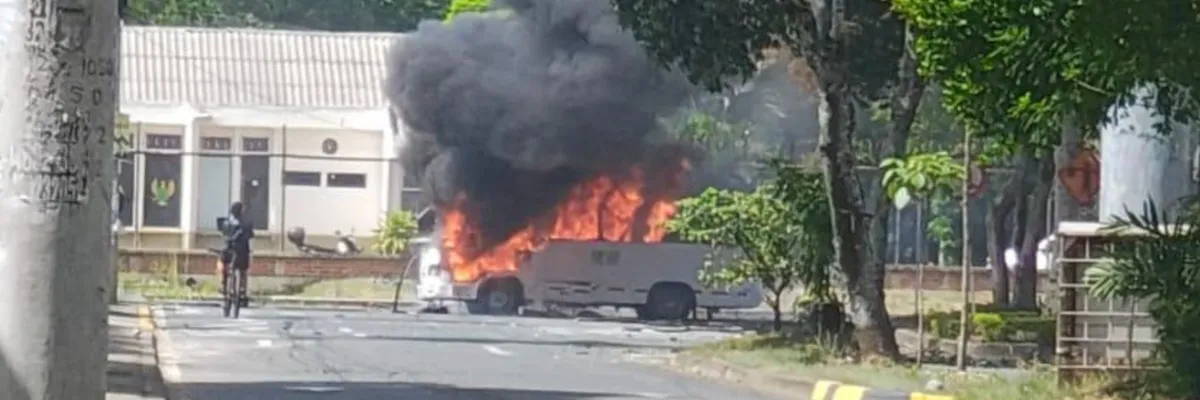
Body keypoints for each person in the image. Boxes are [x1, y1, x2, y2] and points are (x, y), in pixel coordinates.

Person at [220, 202, 255, 306]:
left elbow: (224, 235)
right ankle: (242, 291)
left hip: (230, 250)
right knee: (243, 271)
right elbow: (250, 237)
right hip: (243, 250)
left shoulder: (227, 222)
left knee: (226, 266)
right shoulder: (247, 223)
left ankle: (225, 286)